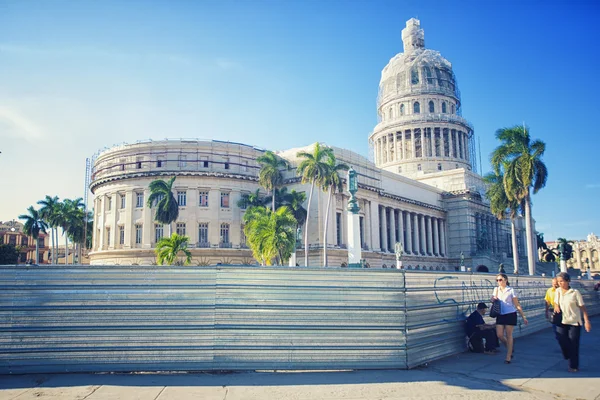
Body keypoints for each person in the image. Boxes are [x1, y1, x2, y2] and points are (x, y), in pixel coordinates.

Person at [554, 272, 592, 372]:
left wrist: (587, 321)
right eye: (558, 282)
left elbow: (583, 308)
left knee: (573, 344)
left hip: (574, 322)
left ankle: (573, 366)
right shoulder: (557, 291)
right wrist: (556, 305)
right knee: (561, 339)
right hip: (561, 321)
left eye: (562, 281)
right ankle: (567, 354)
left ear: (568, 281)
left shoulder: (575, 292)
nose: (560, 283)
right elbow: (555, 302)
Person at [491, 273, 528, 363]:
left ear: (505, 280)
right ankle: (509, 348)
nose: (498, 282)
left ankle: (508, 356)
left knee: (509, 335)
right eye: (497, 280)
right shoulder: (496, 289)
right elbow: (492, 299)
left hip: (510, 313)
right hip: (500, 314)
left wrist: (523, 316)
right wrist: (493, 299)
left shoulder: (511, 290)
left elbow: (516, 304)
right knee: (499, 334)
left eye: (500, 280)